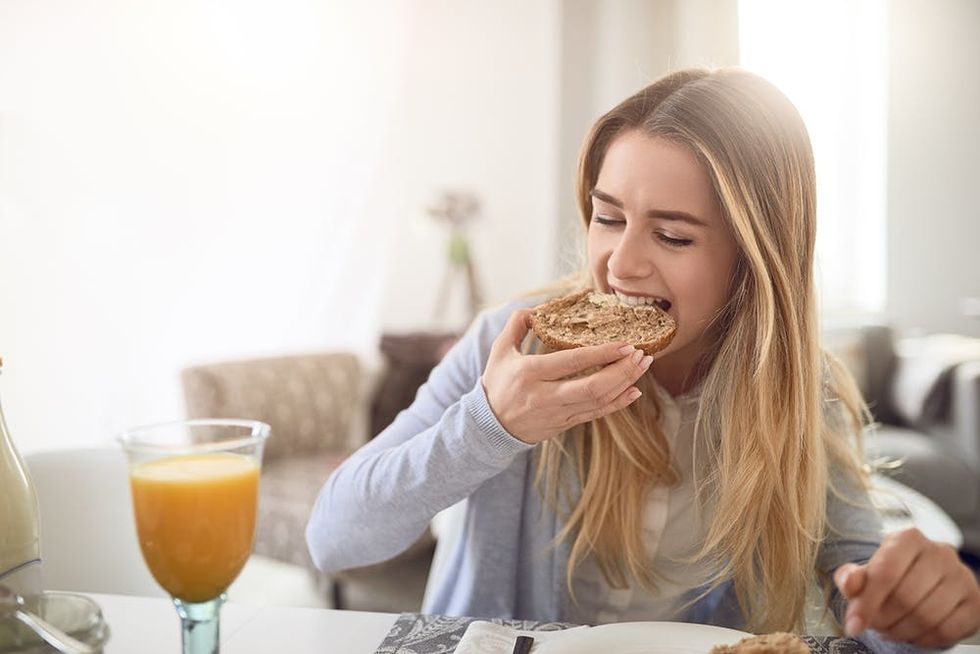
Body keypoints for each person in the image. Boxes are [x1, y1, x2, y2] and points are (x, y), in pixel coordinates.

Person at [305, 68, 980, 650]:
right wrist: (490, 425)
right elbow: (334, 540)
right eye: (607, 217)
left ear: (753, 260)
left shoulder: (798, 393)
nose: (621, 265)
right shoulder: (511, 348)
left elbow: (864, 593)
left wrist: (911, 606)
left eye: (672, 235)